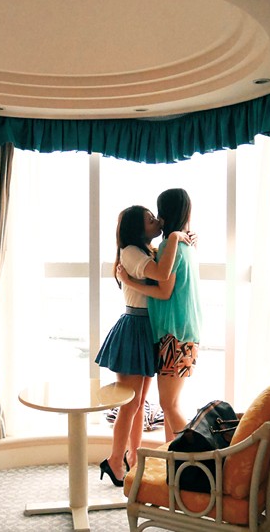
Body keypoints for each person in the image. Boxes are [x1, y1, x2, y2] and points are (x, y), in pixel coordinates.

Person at [95, 205, 190, 487]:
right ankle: (115, 460)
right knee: (130, 404)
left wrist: (184, 242)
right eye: (150, 219)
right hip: (134, 328)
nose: (156, 221)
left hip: (146, 328)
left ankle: (133, 458)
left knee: (138, 404)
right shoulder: (131, 253)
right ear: (138, 227)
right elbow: (161, 275)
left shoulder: (147, 250)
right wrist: (175, 237)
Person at [119, 188, 202, 442]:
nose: (157, 220)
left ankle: (195, 458)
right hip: (186, 332)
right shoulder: (187, 245)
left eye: (157, 214)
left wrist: (128, 282)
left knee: (169, 405)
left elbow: (164, 291)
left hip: (174, 334)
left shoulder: (171, 245)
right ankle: (173, 460)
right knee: (171, 405)